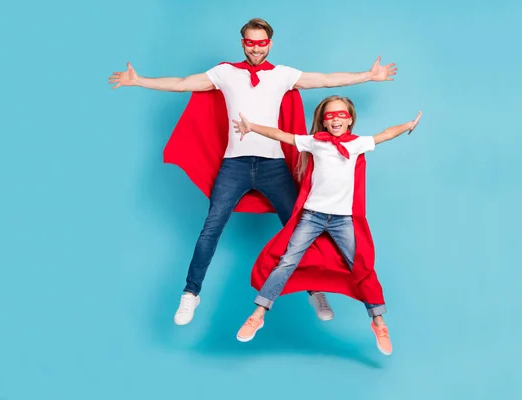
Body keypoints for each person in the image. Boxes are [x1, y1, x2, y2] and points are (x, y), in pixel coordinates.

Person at [107, 18, 398, 326]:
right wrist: (139, 81)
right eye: (250, 43)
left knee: (299, 228)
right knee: (211, 229)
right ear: (242, 43)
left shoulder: (282, 75)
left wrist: (368, 75)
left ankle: (314, 290)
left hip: (273, 166)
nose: (256, 49)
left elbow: (325, 80)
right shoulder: (225, 73)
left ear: (269, 44)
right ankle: (191, 294)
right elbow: (181, 83)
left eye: (262, 43)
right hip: (235, 165)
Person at [231, 95, 422, 355]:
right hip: (312, 216)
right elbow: (281, 134)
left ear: (350, 120)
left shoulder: (356, 144)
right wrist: (252, 126)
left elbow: (385, 134)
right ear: (323, 120)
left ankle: (378, 322)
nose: (335, 120)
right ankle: (258, 314)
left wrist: (408, 124)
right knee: (288, 261)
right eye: (330, 115)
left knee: (362, 266)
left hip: (343, 220)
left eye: (341, 115)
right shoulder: (315, 143)